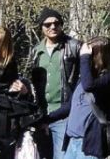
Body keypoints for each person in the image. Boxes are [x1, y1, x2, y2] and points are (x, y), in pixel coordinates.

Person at [31, 8, 82, 159]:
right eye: (48, 24)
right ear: (41, 27)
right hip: (41, 116)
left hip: (64, 115)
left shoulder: (74, 47)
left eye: (56, 23)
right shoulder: (36, 51)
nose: (53, 27)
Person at [62, 37, 110, 159]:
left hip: (90, 144)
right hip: (72, 142)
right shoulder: (84, 78)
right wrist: (44, 119)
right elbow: (70, 106)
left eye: (90, 54)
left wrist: (84, 57)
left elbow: (89, 86)